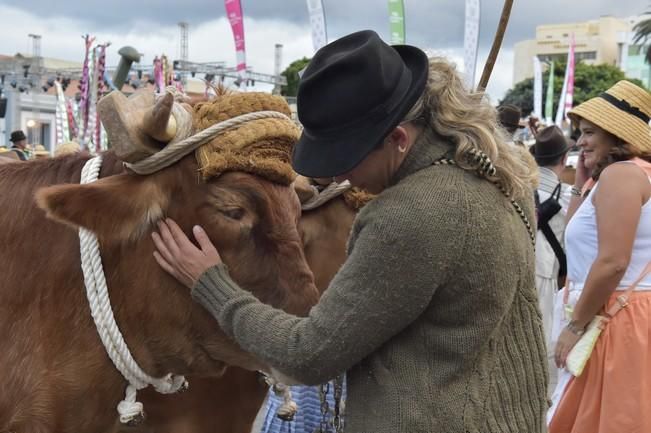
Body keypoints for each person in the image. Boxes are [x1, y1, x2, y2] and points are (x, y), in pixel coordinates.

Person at [152, 30, 547, 433]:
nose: (335, 174)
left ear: (397, 139)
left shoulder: (412, 213)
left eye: (345, 156)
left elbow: (307, 355)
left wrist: (212, 285)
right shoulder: (495, 180)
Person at [548, 80, 651, 432]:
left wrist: (575, 325)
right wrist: (581, 180)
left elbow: (612, 262)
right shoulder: (626, 175)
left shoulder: (622, 175)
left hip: (611, 315)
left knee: (607, 419)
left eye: (589, 132)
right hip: (619, 311)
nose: (580, 141)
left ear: (615, 135)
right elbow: (577, 231)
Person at [530, 125, 571, 392]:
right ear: (564, 159)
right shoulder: (570, 197)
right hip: (545, 273)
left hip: (516, 266)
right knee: (540, 345)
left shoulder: (516, 187)